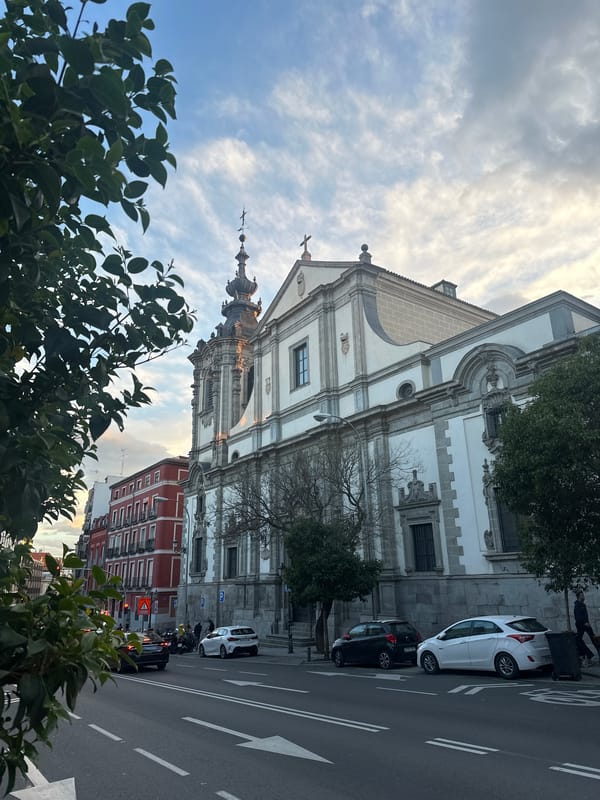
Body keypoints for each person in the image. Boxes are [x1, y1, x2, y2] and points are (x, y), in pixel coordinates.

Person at [574, 590, 600, 665]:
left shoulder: (583, 605)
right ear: (579, 597)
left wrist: (587, 622)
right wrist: (584, 622)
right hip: (581, 625)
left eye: (583, 595)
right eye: (582, 595)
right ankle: (588, 655)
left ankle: (591, 655)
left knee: (594, 639)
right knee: (579, 640)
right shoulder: (577, 605)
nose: (583, 597)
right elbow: (578, 617)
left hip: (586, 625)